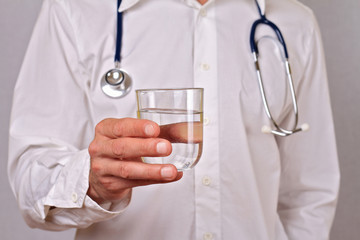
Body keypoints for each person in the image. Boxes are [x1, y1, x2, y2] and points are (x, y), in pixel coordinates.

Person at [8, 0, 340, 239]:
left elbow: (309, 192)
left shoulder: (294, 22)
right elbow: (30, 177)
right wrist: (91, 184)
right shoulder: (75, 9)